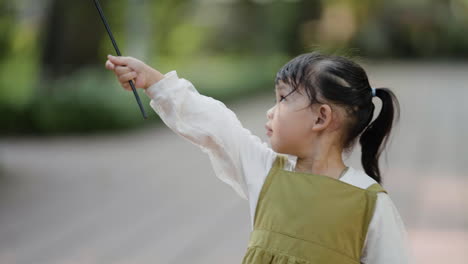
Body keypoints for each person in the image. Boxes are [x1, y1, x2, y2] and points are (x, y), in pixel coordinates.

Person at [105, 52, 412, 263]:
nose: (270, 111)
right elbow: (216, 124)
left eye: (282, 99)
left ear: (321, 117)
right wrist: (156, 83)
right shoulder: (266, 170)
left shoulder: (369, 203)